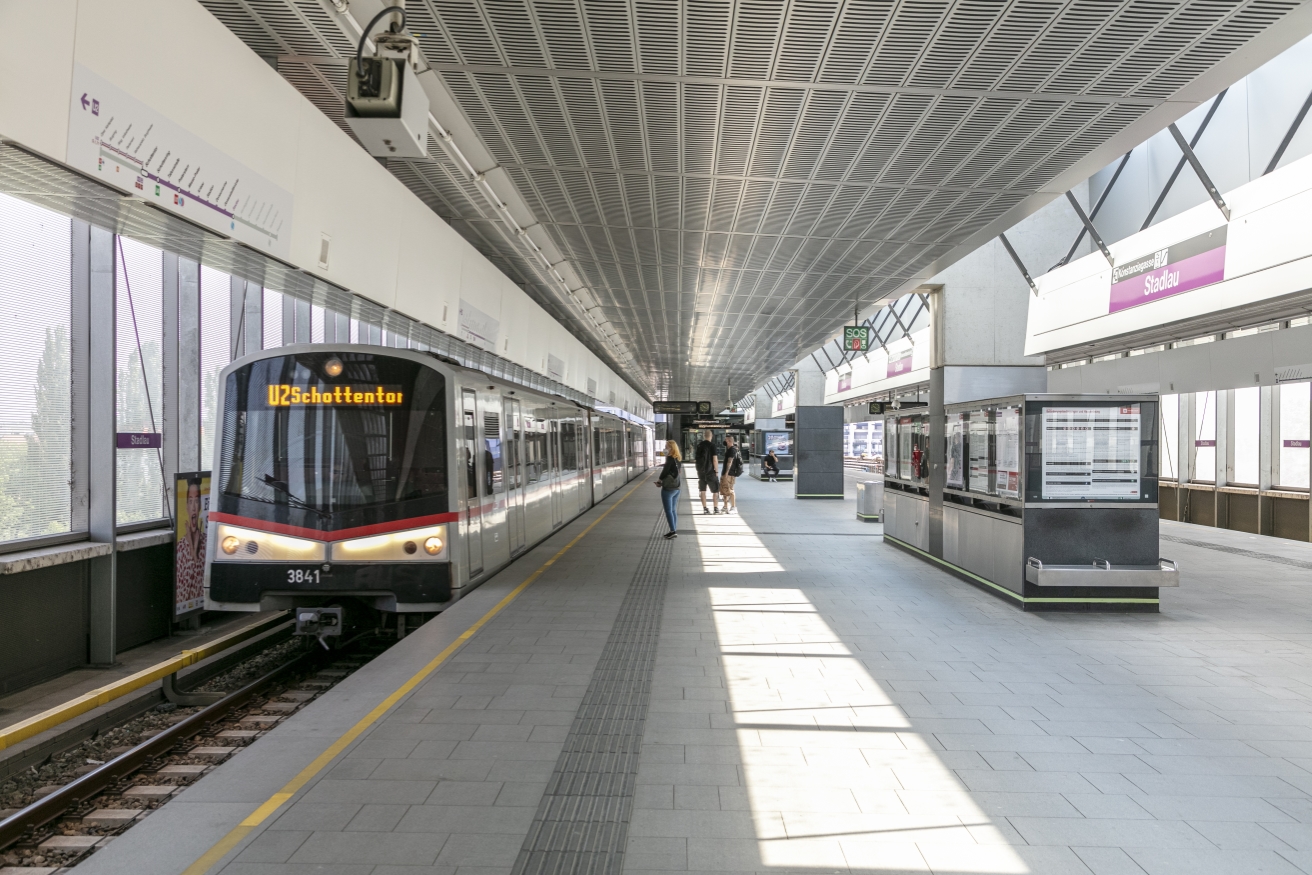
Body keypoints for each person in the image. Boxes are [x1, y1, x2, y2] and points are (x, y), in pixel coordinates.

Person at [655, 440, 682, 539]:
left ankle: (672, 531)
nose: (665, 448)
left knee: (668, 511)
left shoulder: (670, 458)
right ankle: (673, 529)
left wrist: (659, 481)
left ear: (671, 448)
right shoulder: (678, 458)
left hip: (668, 488)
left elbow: (665, 471)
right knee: (673, 510)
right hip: (677, 487)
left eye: (666, 446)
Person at [693, 430, 720, 514]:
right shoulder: (712, 445)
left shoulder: (699, 445)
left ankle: (705, 509)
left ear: (704, 435)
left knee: (702, 490)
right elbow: (714, 460)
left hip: (701, 472)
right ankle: (715, 508)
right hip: (711, 471)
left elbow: (696, 459)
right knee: (715, 490)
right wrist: (716, 471)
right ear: (711, 436)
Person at [718, 435, 742, 514]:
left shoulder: (732, 450)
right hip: (725, 473)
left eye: (725, 440)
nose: (724, 441)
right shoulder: (729, 450)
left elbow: (730, 461)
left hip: (729, 474)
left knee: (730, 490)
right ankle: (725, 507)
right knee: (724, 490)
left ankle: (733, 507)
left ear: (729, 441)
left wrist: (726, 473)